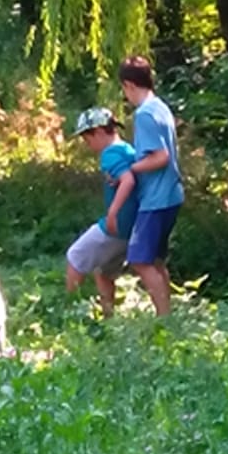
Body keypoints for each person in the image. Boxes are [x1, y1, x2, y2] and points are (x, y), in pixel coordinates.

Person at [108, 55, 183, 317]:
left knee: (140, 259)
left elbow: (160, 157)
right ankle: (167, 315)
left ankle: (164, 319)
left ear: (128, 85)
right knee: (156, 260)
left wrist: (128, 170)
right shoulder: (161, 107)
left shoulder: (145, 115)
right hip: (172, 194)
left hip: (156, 198)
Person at [64, 105, 140, 317]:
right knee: (104, 271)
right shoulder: (127, 150)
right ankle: (109, 317)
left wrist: (113, 213)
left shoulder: (110, 154)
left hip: (117, 224)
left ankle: (71, 313)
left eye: (86, 139)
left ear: (98, 132)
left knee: (75, 257)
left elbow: (128, 180)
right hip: (133, 225)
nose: (87, 145)